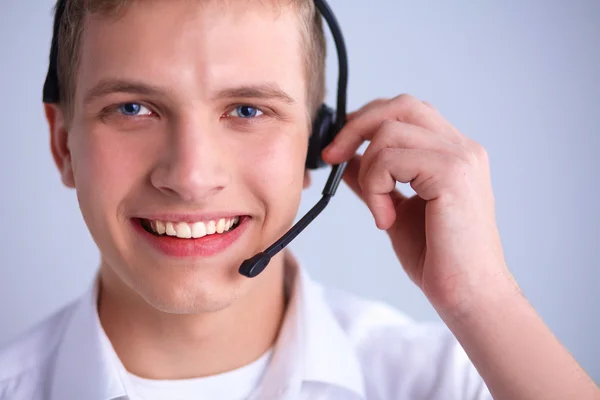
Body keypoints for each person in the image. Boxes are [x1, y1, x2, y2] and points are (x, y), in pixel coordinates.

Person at [0, 0, 598, 399]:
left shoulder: (453, 382)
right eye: (132, 108)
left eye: (247, 110)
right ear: (63, 146)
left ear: (320, 144)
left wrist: (483, 300)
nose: (190, 175)